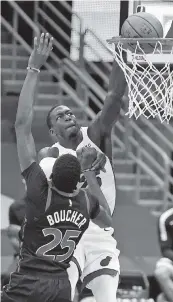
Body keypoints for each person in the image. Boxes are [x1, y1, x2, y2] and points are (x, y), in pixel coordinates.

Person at [1, 33, 112, 302]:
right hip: (61, 287)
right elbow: (107, 219)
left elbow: (22, 126)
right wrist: (87, 173)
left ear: (48, 176)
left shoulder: (41, 191)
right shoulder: (85, 202)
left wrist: (34, 68)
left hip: (28, 282)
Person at [39, 46, 126, 301]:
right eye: (60, 116)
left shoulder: (96, 134)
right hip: (69, 231)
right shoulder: (50, 156)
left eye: (69, 112)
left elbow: (113, 97)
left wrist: (123, 54)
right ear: (53, 131)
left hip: (101, 230)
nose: (68, 115)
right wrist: (83, 166)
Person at [154, 207, 173, 302]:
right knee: (161, 272)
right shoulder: (166, 217)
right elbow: (165, 249)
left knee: (162, 299)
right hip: (172, 260)